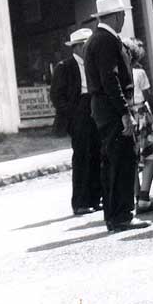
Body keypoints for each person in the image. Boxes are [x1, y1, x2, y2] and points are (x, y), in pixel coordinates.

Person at [83, 0, 150, 232]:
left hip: (103, 107)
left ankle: (115, 215)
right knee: (122, 160)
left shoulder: (95, 39)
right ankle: (122, 215)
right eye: (122, 15)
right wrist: (124, 112)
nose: (123, 19)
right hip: (112, 108)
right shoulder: (107, 41)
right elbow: (110, 79)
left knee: (112, 161)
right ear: (116, 16)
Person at [51, 28, 102, 215]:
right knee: (82, 156)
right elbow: (57, 96)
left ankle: (96, 198)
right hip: (78, 112)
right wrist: (72, 114)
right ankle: (80, 202)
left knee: (97, 153)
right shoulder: (65, 67)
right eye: (87, 45)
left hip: (94, 107)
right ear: (79, 47)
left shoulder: (92, 64)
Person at [123, 38, 153, 214]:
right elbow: (148, 95)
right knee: (150, 155)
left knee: (133, 158)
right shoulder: (139, 72)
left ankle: (136, 195)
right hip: (142, 114)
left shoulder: (119, 73)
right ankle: (144, 196)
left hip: (129, 114)